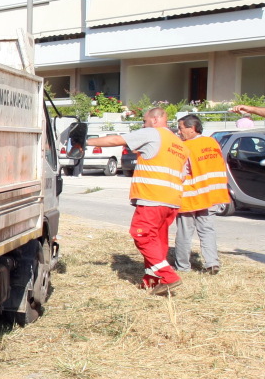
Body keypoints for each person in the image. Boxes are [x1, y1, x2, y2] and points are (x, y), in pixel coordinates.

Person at [87, 107, 189, 295]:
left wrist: (86, 141)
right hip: (172, 200)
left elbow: (116, 140)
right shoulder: (180, 144)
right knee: (158, 240)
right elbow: (183, 175)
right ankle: (152, 281)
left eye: (144, 121)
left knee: (141, 234)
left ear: (156, 119)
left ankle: (168, 276)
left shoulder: (153, 133)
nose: (142, 124)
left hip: (153, 197)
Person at [173, 115, 230, 275]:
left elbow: (181, 172)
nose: (179, 132)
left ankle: (183, 267)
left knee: (185, 232)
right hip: (210, 195)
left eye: (181, 128)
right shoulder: (212, 143)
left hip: (190, 196)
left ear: (192, 129)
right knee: (207, 230)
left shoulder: (185, 147)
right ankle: (212, 263)